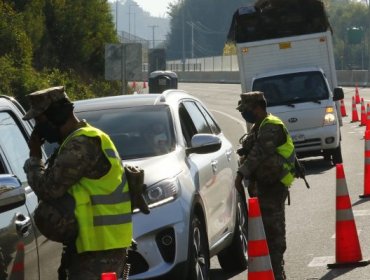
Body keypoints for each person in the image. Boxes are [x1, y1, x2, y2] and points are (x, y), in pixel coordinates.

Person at [22, 86, 133, 280]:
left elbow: (48, 189)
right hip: (93, 247)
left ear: (56, 115)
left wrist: (34, 157)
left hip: (101, 249)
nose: (38, 129)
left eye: (40, 121)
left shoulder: (81, 144)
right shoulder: (75, 140)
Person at [235, 91, 296, 280]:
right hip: (263, 186)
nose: (244, 114)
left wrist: (240, 174)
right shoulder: (259, 126)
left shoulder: (271, 126)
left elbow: (259, 154)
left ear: (258, 107)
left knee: (273, 234)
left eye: (246, 110)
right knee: (264, 233)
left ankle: (277, 274)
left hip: (273, 186)